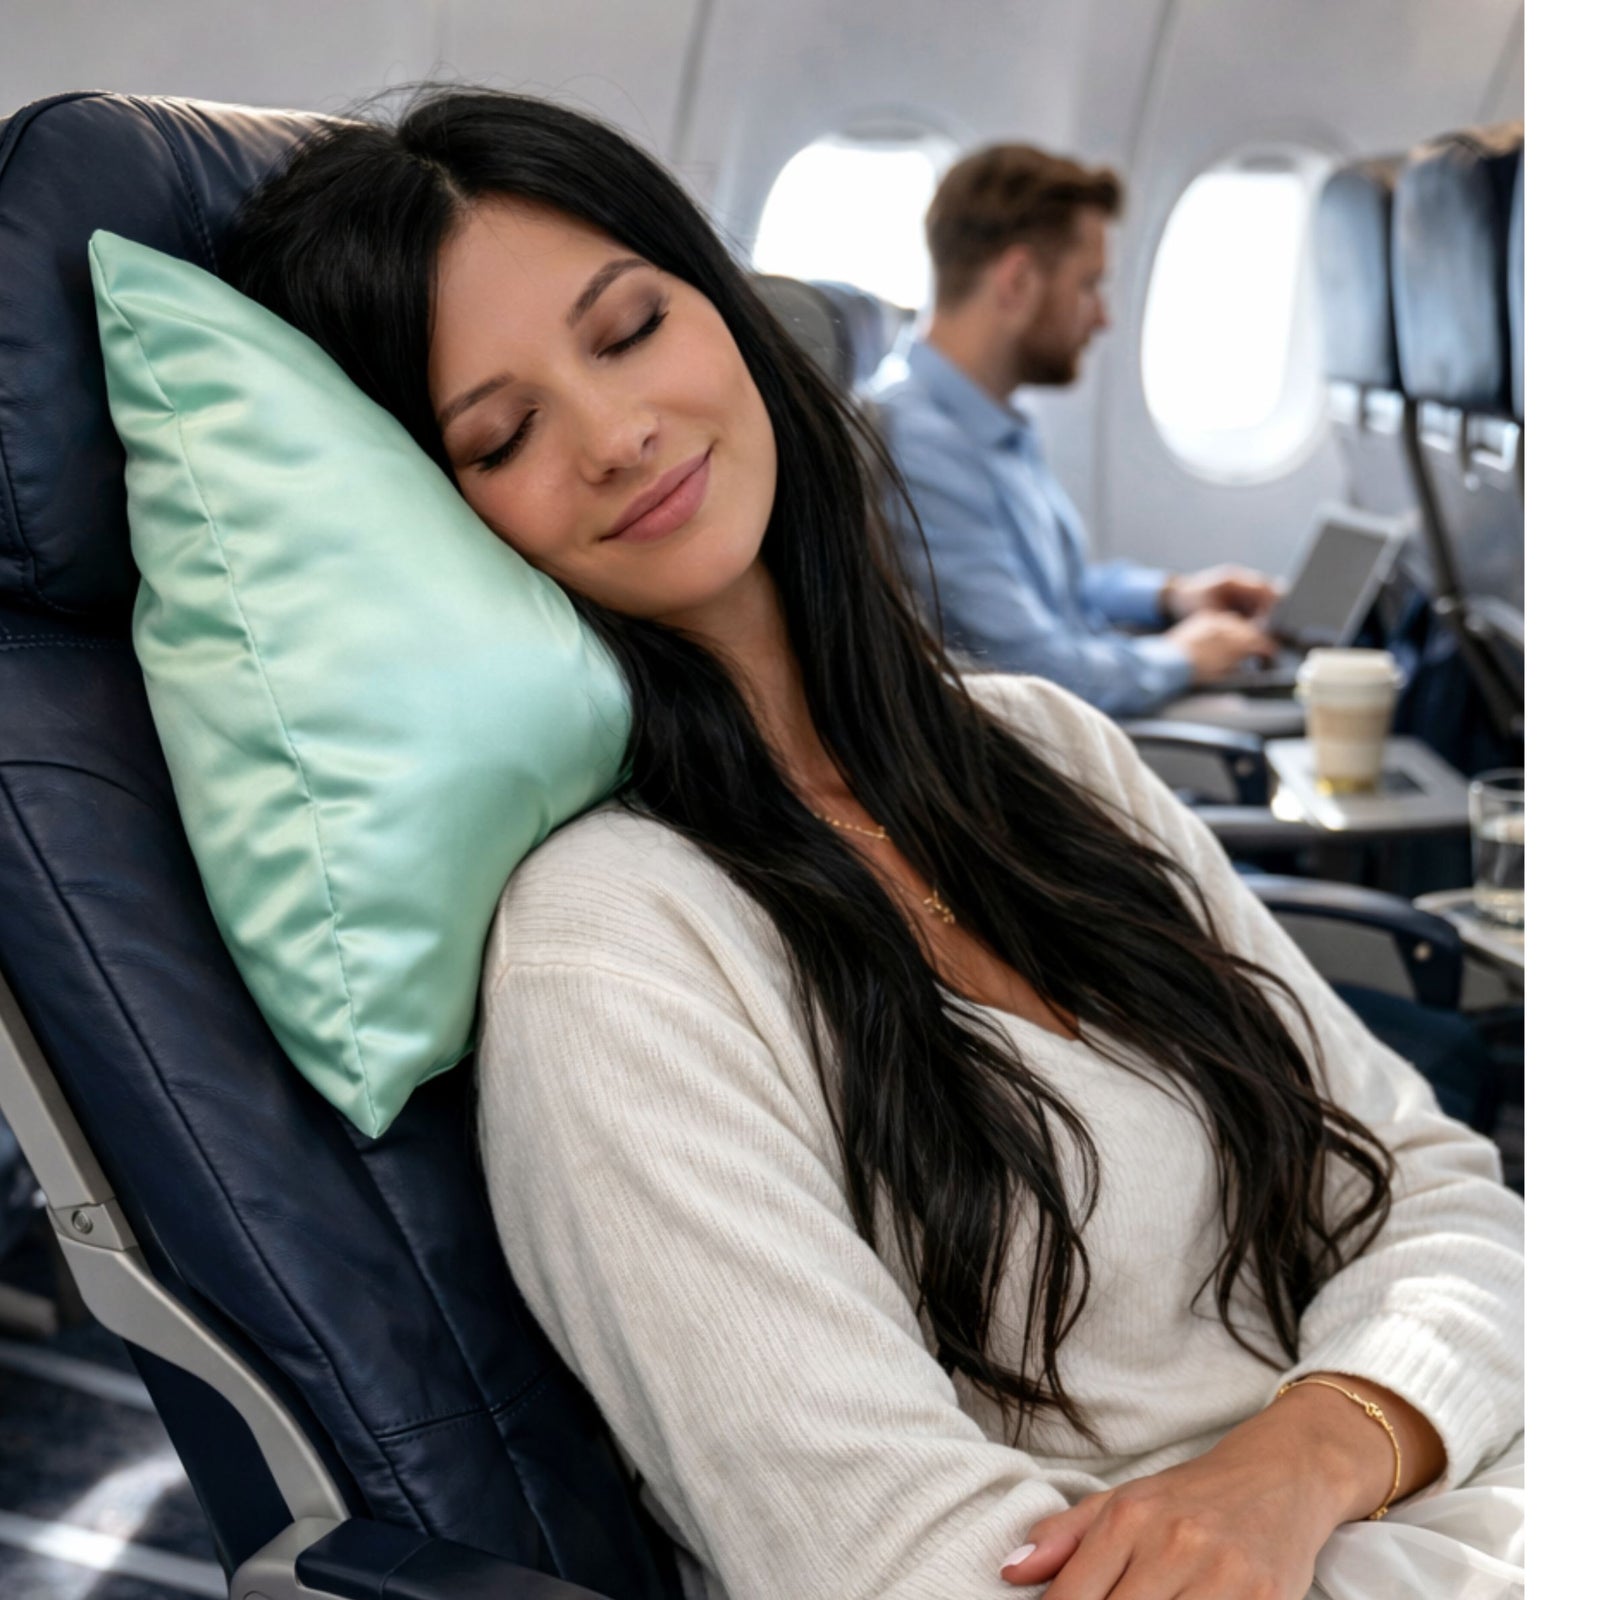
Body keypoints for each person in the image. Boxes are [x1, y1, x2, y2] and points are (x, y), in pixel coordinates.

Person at [225, 89, 1523, 1600]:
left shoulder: (1046, 748)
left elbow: (1441, 1193)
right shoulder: (616, 944)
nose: (617, 432)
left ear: (730, 316)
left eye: (632, 328)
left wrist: (1312, 1451)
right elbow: (895, 1567)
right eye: (503, 433)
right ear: (437, 524)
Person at [874, 144, 1284, 719]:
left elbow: (1052, 592)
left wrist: (1171, 598)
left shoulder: (991, 425)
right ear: (1017, 282)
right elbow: (1033, 670)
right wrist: (1180, 656)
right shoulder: (919, 446)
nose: (1102, 317)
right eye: (1089, 285)